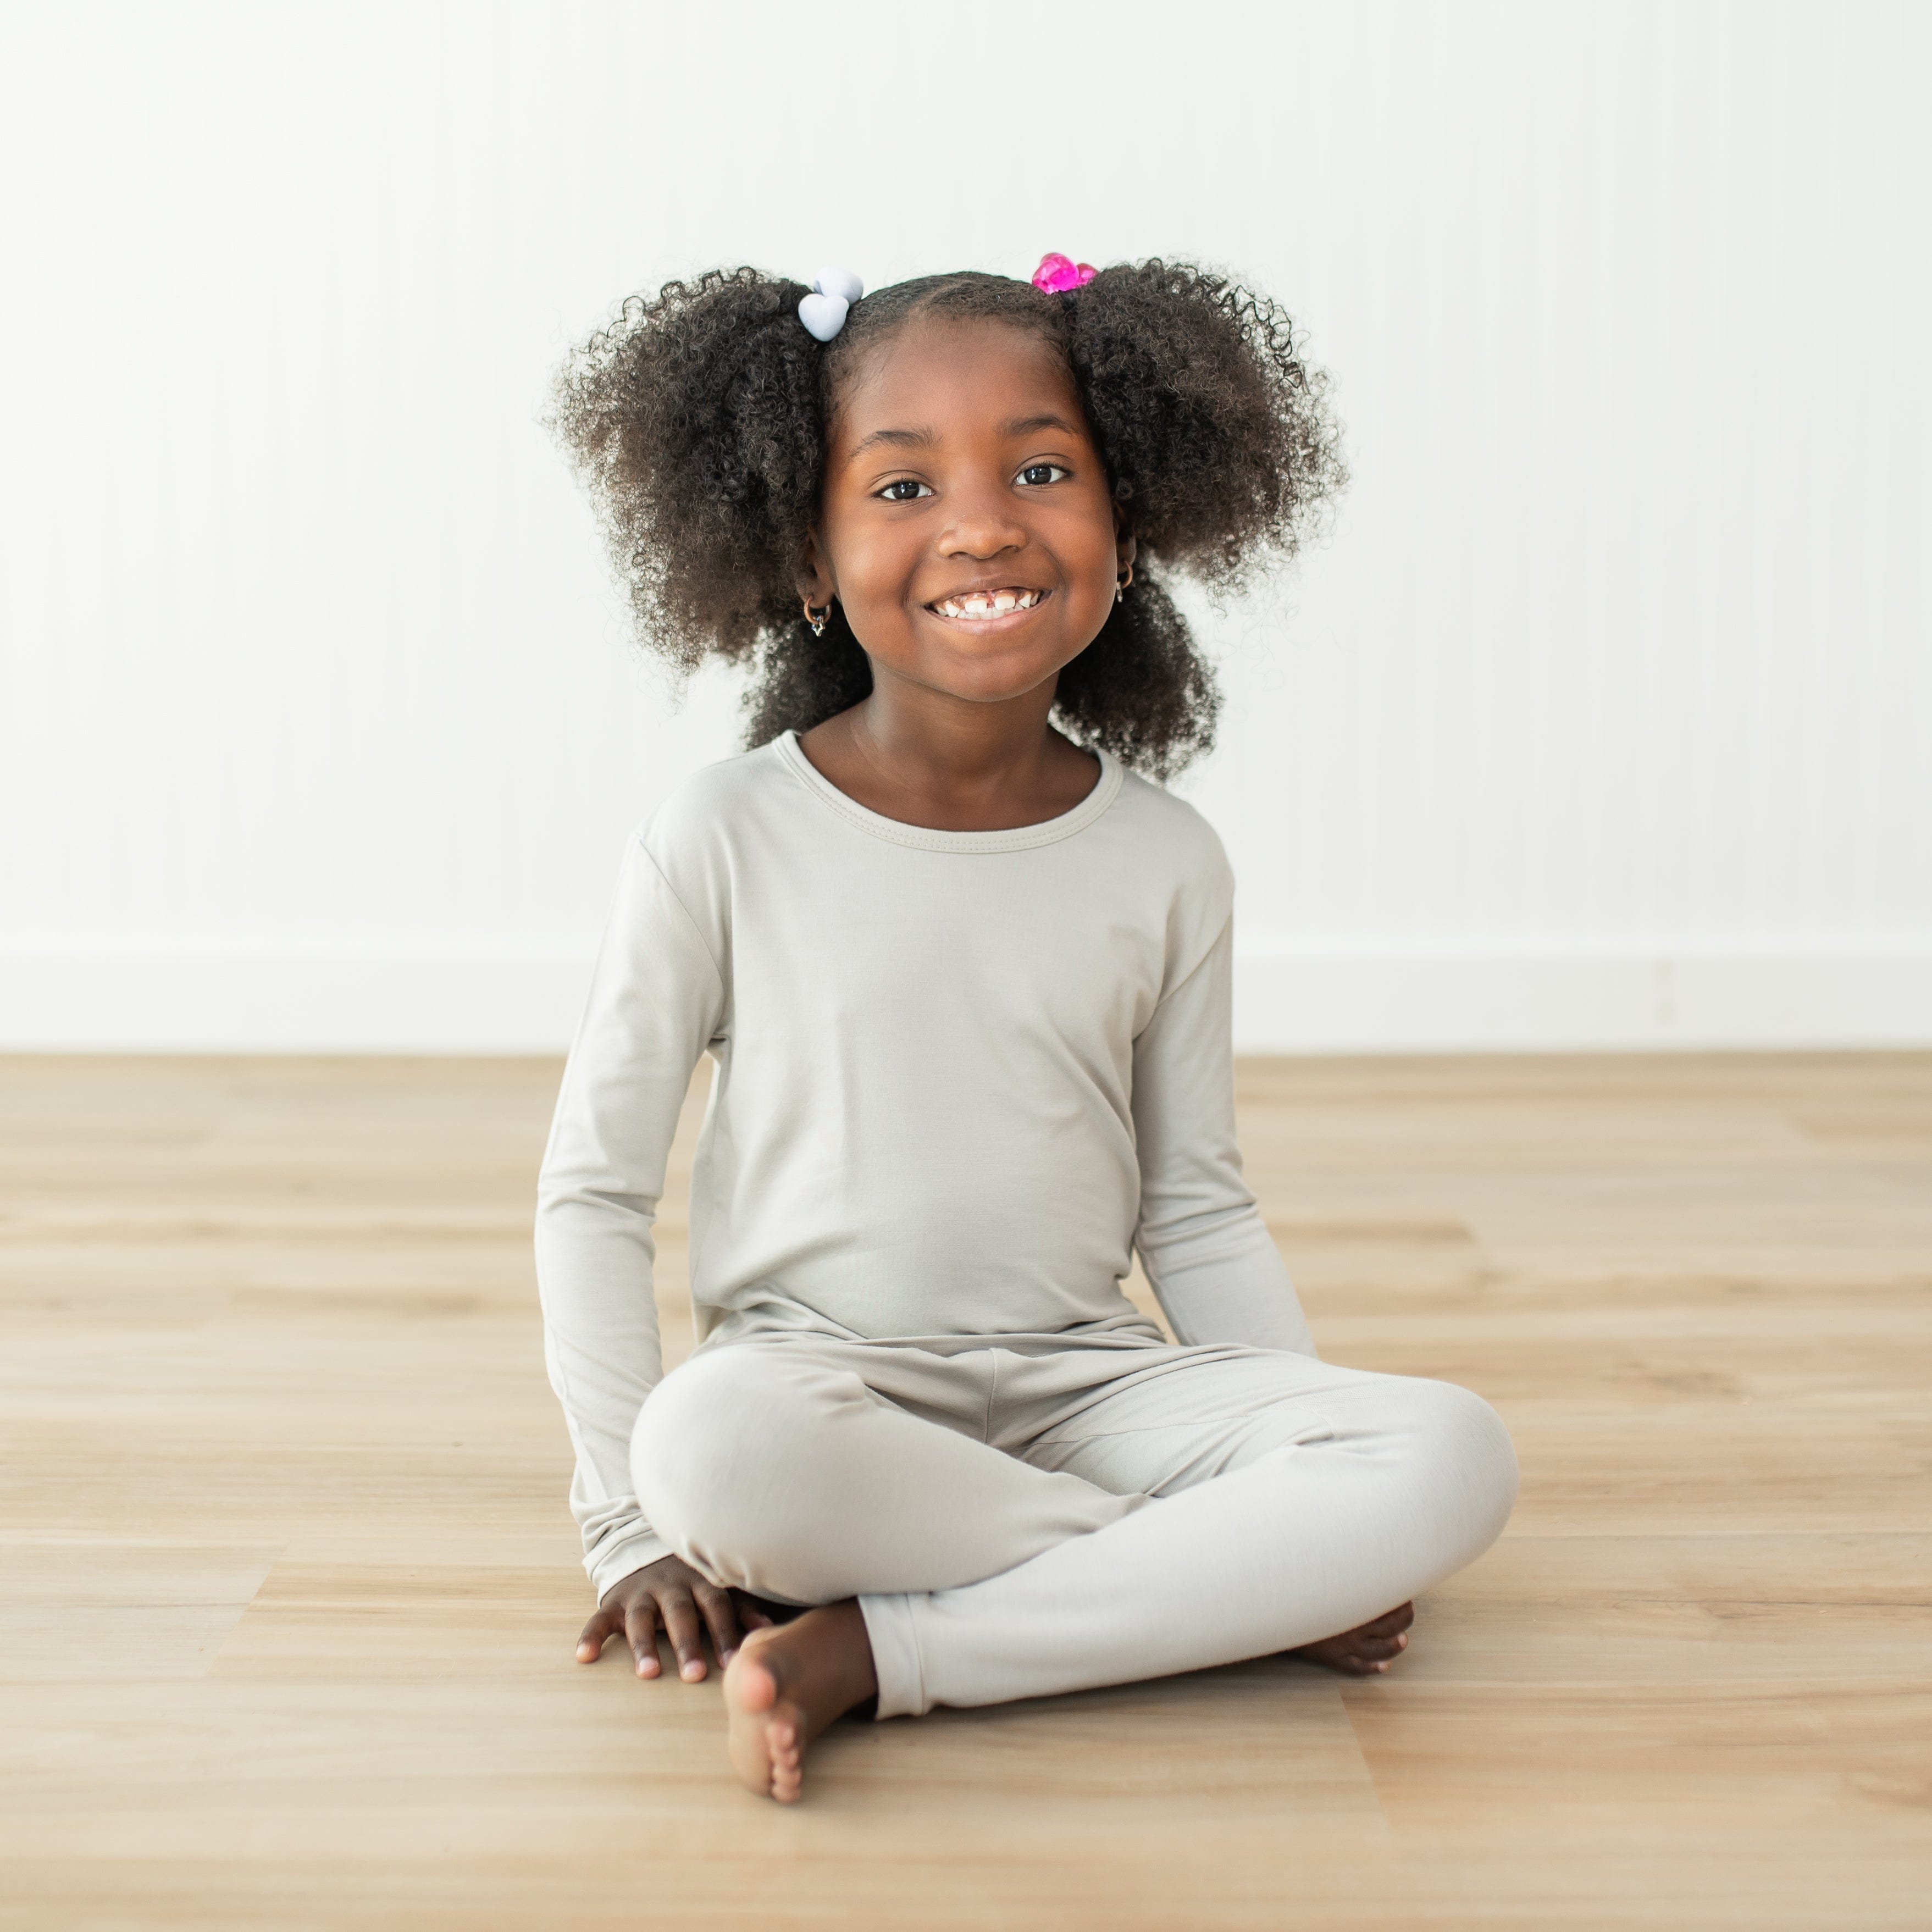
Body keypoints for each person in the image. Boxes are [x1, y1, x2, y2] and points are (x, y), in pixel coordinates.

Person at [537, 257, 1518, 1804]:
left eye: (1042, 468)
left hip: (1091, 1389)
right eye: (904, 481)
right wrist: (627, 1524)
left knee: (1452, 1451)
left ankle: (885, 1646)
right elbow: (594, 1191)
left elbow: (1193, 1199)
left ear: (1129, 524)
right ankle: (1197, 1590)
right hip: (830, 1395)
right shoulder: (722, 833)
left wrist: (1281, 1437)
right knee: (710, 1444)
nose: (982, 521)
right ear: (805, 553)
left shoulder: (1166, 855)